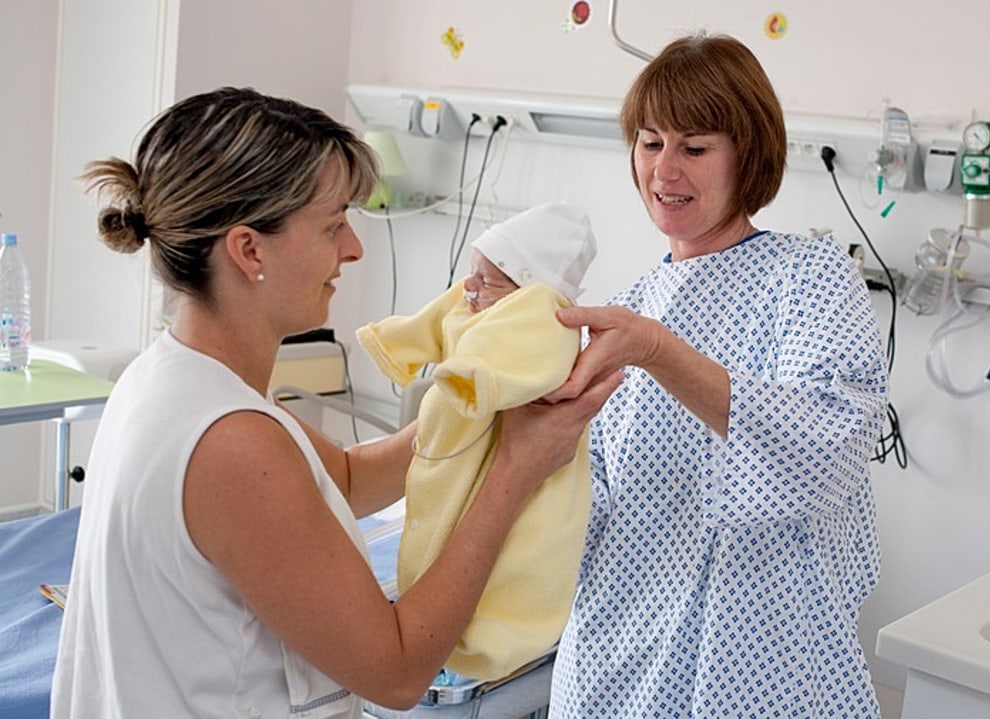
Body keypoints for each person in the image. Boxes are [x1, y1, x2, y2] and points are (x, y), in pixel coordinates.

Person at [50, 87, 620, 719]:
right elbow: (398, 673)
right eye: (333, 225)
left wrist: (480, 415)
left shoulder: (174, 377)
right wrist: (516, 471)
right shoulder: (230, 443)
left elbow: (342, 479)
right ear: (248, 249)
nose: (353, 248)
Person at [544, 33, 890, 717]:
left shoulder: (809, 277)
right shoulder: (632, 304)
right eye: (649, 143)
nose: (664, 170)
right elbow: (587, 499)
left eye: (695, 148)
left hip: (764, 663)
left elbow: (830, 443)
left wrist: (659, 352)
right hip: (616, 660)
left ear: (747, 156)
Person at [355, 200, 598, 681]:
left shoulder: (541, 317)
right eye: (472, 273)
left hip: (518, 455)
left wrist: (472, 377)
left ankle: (489, 635)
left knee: (518, 555)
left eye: (486, 279)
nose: (468, 286)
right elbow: (434, 317)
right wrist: (398, 343)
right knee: (436, 545)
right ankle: (433, 622)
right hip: (457, 453)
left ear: (525, 292)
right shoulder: (480, 302)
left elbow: (526, 358)